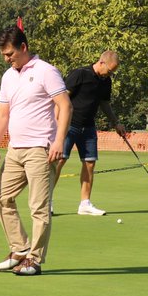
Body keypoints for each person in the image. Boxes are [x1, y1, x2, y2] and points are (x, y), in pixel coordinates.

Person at [0, 26, 71, 276]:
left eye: (10, 54)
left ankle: (34, 260)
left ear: (24, 48)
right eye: (4, 55)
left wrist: (59, 141)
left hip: (41, 148)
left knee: (38, 207)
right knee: (0, 198)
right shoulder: (8, 76)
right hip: (15, 149)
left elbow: (65, 106)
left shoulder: (46, 71)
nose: (7, 59)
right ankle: (20, 249)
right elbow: (3, 114)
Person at [54, 50, 128, 215]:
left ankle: (85, 204)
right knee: (59, 160)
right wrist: (56, 124)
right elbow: (61, 100)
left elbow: (105, 104)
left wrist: (116, 122)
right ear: (101, 63)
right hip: (69, 125)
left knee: (89, 163)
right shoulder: (80, 74)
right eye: (109, 71)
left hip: (88, 127)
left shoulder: (105, 81)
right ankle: (46, 201)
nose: (109, 75)